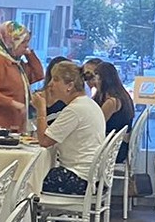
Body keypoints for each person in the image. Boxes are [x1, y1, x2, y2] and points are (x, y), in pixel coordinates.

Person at [34, 59, 106, 196]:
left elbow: (44, 141)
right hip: (90, 176)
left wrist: (41, 109)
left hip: (78, 177)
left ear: (70, 85)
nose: (50, 84)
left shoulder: (75, 110)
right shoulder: (87, 104)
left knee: (27, 179)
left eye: (56, 80)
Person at [83, 58, 135, 150]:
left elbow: (97, 125)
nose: (93, 82)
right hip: (117, 143)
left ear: (102, 80)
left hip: (112, 148)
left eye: (95, 78)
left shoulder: (111, 102)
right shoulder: (120, 95)